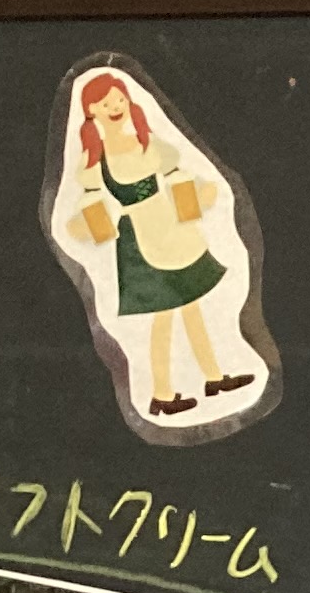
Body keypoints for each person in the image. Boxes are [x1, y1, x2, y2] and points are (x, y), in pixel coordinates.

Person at [62, 70, 252, 421]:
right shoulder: (95, 162)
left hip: (172, 229)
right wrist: (85, 225)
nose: (115, 107)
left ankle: (214, 378)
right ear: (91, 111)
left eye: (119, 99)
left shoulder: (146, 143)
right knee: (163, 319)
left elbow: (177, 175)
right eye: (106, 103)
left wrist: (199, 196)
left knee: (192, 308)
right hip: (140, 240)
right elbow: (88, 205)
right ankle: (162, 394)